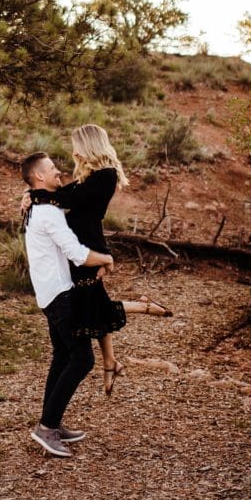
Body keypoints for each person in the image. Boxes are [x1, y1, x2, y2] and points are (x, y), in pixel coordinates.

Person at [26, 124, 173, 397]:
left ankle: (140, 312)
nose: (73, 152)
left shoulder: (106, 175)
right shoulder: (92, 175)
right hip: (81, 245)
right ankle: (110, 360)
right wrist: (33, 195)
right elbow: (66, 195)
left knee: (94, 304)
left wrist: (35, 194)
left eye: (76, 146)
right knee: (93, 303)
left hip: (87, 246)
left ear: (88, 145)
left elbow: (68, 198)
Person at [21, 151, 116, 459]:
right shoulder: (47, 213)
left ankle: (52, 422)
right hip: (60, 296)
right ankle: (47, 427)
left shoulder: (41, 206)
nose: (58, 172)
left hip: (49, 293)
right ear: (39, 177)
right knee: (82, 359)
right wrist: (107, 259)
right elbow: (78, 254)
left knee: (62, 355)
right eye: (51, 169)